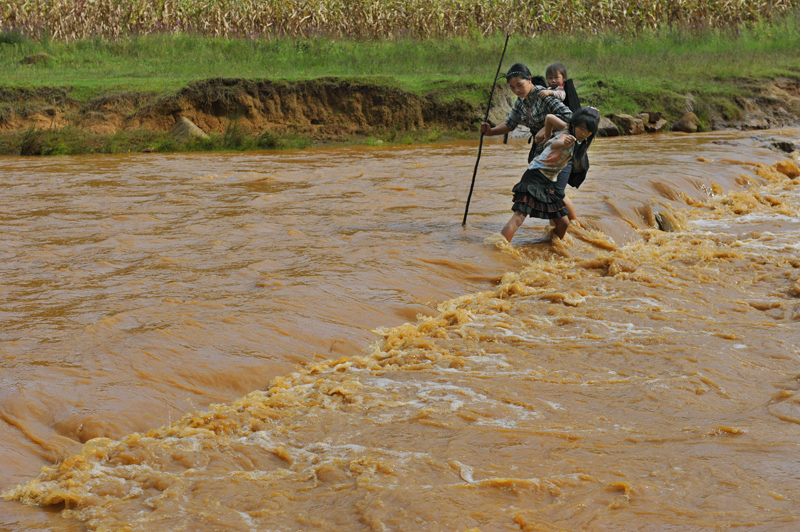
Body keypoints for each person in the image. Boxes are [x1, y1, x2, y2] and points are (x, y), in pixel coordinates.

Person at [480, 63, 578, 222]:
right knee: (549, 192)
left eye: (519, 85)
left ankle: (574, 225)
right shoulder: (520, 102)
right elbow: (509, 125)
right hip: (541, 151)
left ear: (529, 80)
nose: (516, 90)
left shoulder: (543, 95)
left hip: (559, 149)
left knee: (554, 192)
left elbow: (570, 117)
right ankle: (564, 228)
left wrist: (547, 128)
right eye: (512, 87)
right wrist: (490, 131)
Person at [499, 107, 599, 243]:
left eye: (588, 131)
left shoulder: (573, 134)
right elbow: (557, 143)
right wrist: (559, 141)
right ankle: (499, 249)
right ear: (574, 124)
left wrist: (547, 135)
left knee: (563, 223)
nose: (583, 133)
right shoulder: (566, 134)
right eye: (581, 128)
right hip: (536, 175)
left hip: (549, 180)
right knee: (519, 217)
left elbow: (550, 118)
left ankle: (549, 246)